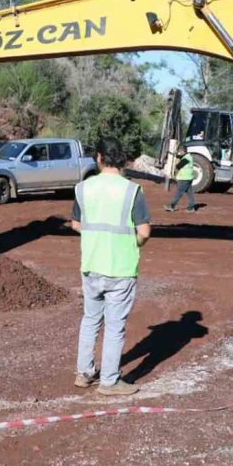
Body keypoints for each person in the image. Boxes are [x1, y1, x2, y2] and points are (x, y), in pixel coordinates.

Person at [69, 137, 152, 396]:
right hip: (121, 267)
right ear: (123, 159)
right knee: (115, 326)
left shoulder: (83, 188)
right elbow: (144, 232)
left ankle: (84, 374)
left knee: (90, 320)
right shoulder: (132, 190)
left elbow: (75, 224)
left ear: (99, 157)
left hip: (91, 265)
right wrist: (134, 243)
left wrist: (96, 236)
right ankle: (109, 382)